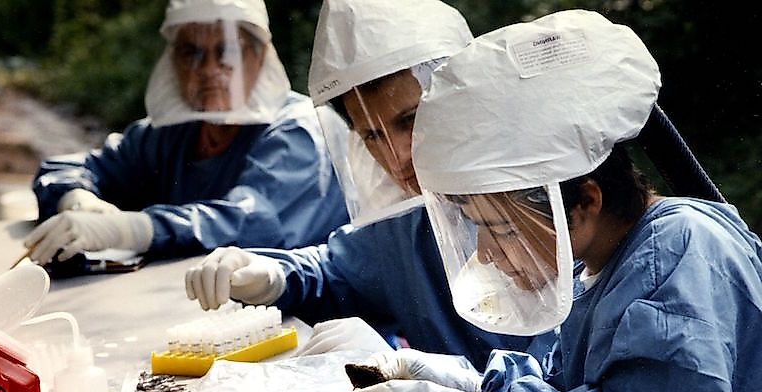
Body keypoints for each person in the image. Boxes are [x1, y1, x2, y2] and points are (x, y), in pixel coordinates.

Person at [336, 10, 762, 392]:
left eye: (500, 229)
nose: (488, 256)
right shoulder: (613, 262)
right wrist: (464, 385)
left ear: (582, 202)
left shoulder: (678, 257)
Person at [183, 0, 554, 370]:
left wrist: (417, 372)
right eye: (372, 135)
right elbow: (340, 270)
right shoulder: (409, 220)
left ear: (463, 96)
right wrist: (273, 275)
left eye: (409, 121)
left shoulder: (546, 204)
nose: (396, 159)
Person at [23, 0, 349, 266]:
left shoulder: (299, 131)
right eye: (191, 53)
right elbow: (71, 167)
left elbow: (253, 220)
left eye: (227, 52)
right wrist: (76, 197)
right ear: (172, 60)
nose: (208, 70)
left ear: (259, 55)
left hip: (309, 330)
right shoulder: (173, 133)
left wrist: (134, 230)